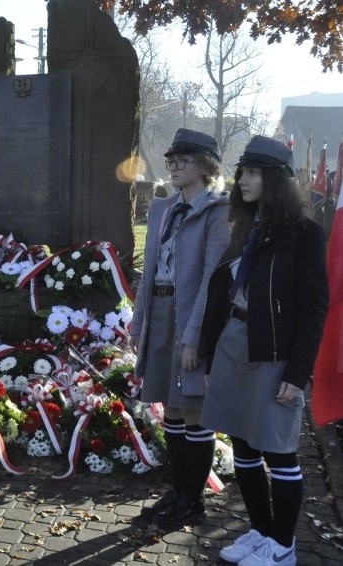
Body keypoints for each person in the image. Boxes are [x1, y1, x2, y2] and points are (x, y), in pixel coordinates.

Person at [198, 136, 328, 566]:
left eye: (253, 173)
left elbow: (314, 307)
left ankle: (284, 546)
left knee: (278, 449)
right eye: (242, 172)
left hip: (274, 354)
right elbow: (221, 293)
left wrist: (298, 370)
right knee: (244, 446)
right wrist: (206, 353)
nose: (243, 180)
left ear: (275, 180)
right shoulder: (244, 227)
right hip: (234, 344)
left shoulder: (304, 234)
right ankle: (260, 532)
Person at [129, 128, 230, 527]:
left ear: (206, 167)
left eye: (181, 160)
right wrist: (139, 324)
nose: (172, 165)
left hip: (190, 318)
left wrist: (195, 337)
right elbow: (149, 271)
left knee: (193, 409)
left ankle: (193, 500)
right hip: (160, 312)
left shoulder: (218, 212)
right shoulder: (165, 208)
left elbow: (212, 280)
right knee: (170, 407)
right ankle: (178, 492)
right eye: (170, 160)